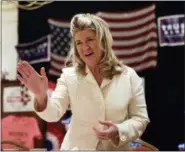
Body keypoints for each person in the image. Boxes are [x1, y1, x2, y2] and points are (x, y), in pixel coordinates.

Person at [17, 13, 150, 150]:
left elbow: (140, 119)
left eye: (90, 40)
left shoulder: (128, 76)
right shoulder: (69, 77)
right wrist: (41, 96)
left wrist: (119, 130)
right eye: (79, 43)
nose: (84, 47)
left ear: (103, 41)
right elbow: (54, 113)